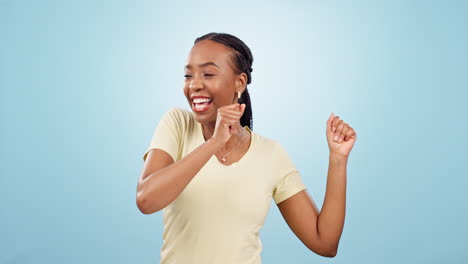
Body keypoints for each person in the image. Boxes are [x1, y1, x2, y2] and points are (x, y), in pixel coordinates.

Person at [136, 32, 357, 264]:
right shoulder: (177, 123)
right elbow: (146, 200)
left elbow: (325, 243)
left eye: (208, 74)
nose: (194, 84)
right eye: (188, 75)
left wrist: (338, 159)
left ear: (239, 83)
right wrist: (214, 143)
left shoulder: (271, 154)